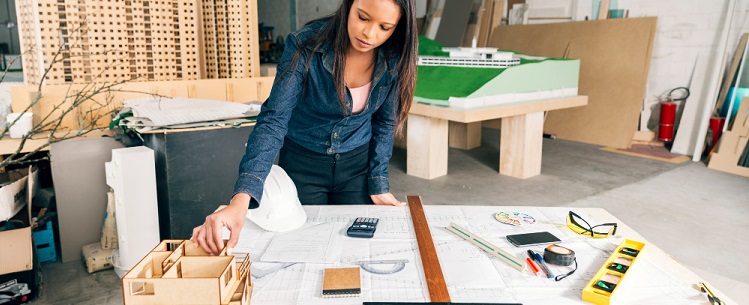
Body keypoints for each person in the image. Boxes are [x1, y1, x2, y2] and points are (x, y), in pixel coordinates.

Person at [192, 0, 418, 255]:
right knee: (302, 248)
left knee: (355, 250)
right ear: (348, 5)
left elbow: (385, 122)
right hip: (303, 165)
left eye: (385, 27)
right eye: (363, 18)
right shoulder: (305, 45)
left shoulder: (394, 58)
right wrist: (241, 199)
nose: (370, 34)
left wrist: (378, 182)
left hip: (358, 168)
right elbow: (274, 119)